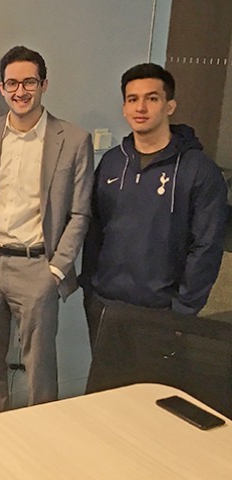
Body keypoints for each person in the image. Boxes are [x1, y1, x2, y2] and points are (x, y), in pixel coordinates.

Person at [0, 46, 94, 414]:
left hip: (38, 267)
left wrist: (56, 270)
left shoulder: (73, 140)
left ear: (44, 84)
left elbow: (80, 214)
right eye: (12, 83)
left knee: (40, 368)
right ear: (2, 88)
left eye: (29, 81)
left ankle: (43, 434)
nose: (20, 91)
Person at [82, 63, 227, 351]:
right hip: (106, 306)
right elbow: (94, 229)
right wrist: (90, 290)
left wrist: (183, 311)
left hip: (162, 312)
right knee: (106, 392)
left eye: (152, 98)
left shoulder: (198, 170)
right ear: (124, 108)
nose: (141, 107)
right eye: (132, 99)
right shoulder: (112, 162)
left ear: (169, 105)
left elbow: (207, 246)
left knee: (149, 393)